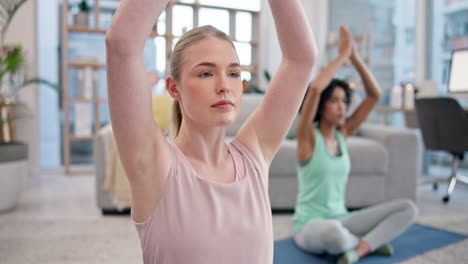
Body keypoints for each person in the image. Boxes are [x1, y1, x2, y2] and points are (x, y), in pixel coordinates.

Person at [105, 0, 317, 263]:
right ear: (174, 88)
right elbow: (121, 43)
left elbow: (301, 58)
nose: (224, 86)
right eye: (206, 74)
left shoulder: (253, 155)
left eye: (233, 73)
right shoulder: (154, 163)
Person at [293, 25, 417, 264]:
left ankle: (359, 248)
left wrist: (355, 57)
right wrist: (341, 56)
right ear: (321, 106)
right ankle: (367, 242)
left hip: (344, 218)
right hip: (310, 226)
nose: (342, 107)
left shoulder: (343, 133)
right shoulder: (307, 136)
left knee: (408, 208)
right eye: (333, 101)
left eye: (343, 100)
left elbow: (374, 95)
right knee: (334, 235)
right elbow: (316, 88)